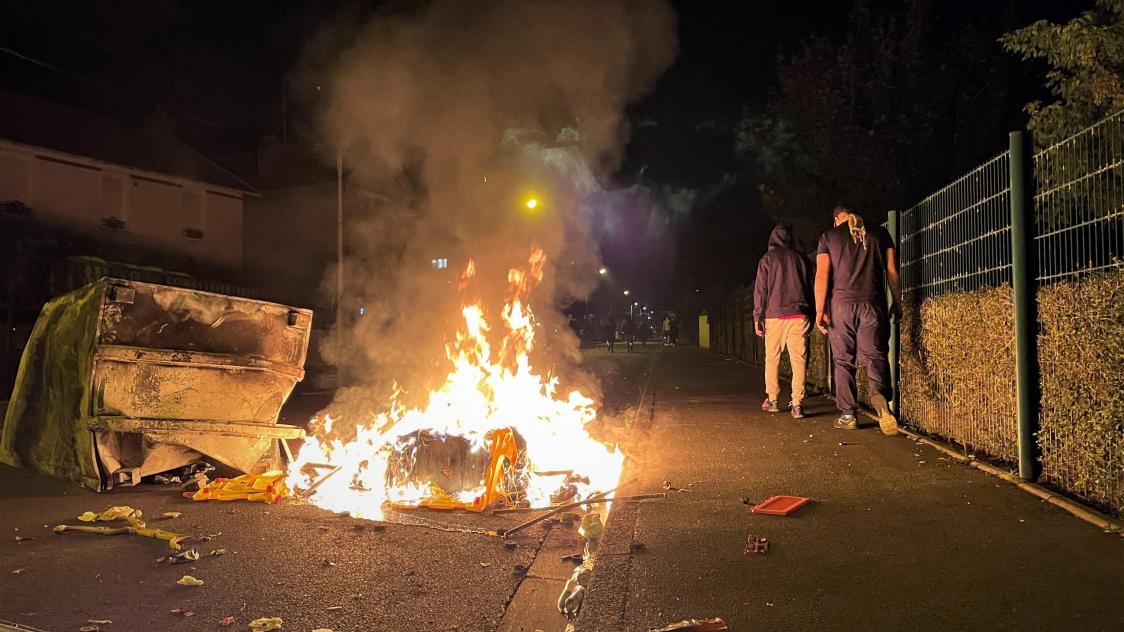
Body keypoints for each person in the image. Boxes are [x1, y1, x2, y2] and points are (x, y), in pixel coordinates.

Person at [814, 203, 901, 435]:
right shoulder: (880, 234)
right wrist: (898, 303)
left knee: (843, 361)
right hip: (873, 304)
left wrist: (819, 310)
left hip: (841, 307)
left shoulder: (828, 237)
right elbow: (892, 271)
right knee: (875, 355)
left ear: (836, 220)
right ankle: (881, 399)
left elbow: (822, 274)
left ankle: (848, 415)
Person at [753, 224, 813, 419]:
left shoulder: (767, 260)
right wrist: (811, 314)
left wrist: (757, 317)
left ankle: (773, 400)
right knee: (799, 360)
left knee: (772, 358)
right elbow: (810, 287)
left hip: (774, 315)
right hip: (799, 314)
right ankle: (797, 404)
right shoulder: (801, 259)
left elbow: (761, 291)